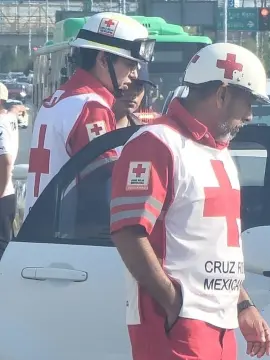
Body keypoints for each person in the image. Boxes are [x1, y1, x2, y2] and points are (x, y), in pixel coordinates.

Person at [110, 43, 270, 360]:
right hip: (180, 324)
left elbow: (216, 243)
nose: (250, 115)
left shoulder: (218, 153)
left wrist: (243, 306)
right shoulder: (156, 143)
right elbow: (128, 231)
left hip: (218, 325)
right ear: (221, 93)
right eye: (247, 101)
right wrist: (173, 304)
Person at [24, 12, 155, 215]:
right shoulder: (91, 106)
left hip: (40, 225)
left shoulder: (60, 98)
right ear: (103, 60)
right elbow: (107, 180)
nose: (135, 74)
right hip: (68, 236)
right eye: (130, 64)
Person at [0, 83, 20, 259]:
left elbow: (5, 160)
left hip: (2, 194)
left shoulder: (0, 125)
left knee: (2, 248)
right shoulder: (9, 119)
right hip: (9, 193)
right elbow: (14, 110)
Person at [114, 62, 158, 128]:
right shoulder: (95, 125)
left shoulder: (145, 133)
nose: (133, 92)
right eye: (127, 84)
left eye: (139, 86)